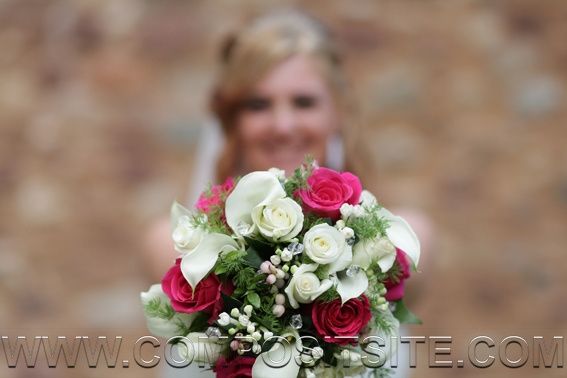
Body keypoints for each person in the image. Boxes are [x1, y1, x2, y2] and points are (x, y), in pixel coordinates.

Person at [145, 9, 431, 378]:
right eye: (258, 105)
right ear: (231, 121)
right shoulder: (173, 248)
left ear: (338, 113)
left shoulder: (404, 244)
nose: (283, 125)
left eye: (304, 102)